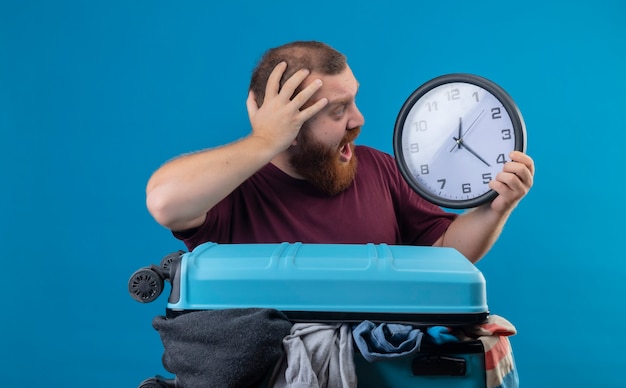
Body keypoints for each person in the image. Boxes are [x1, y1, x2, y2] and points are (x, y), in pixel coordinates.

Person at [145, 40, 534, 263]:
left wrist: (495, 209)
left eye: (353, 100)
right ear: (288, 126)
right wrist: (264, 140)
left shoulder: (382, 170)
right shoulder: (235, 188)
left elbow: (447, 252)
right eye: (337, 110)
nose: (358, 119)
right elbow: (165, 202)